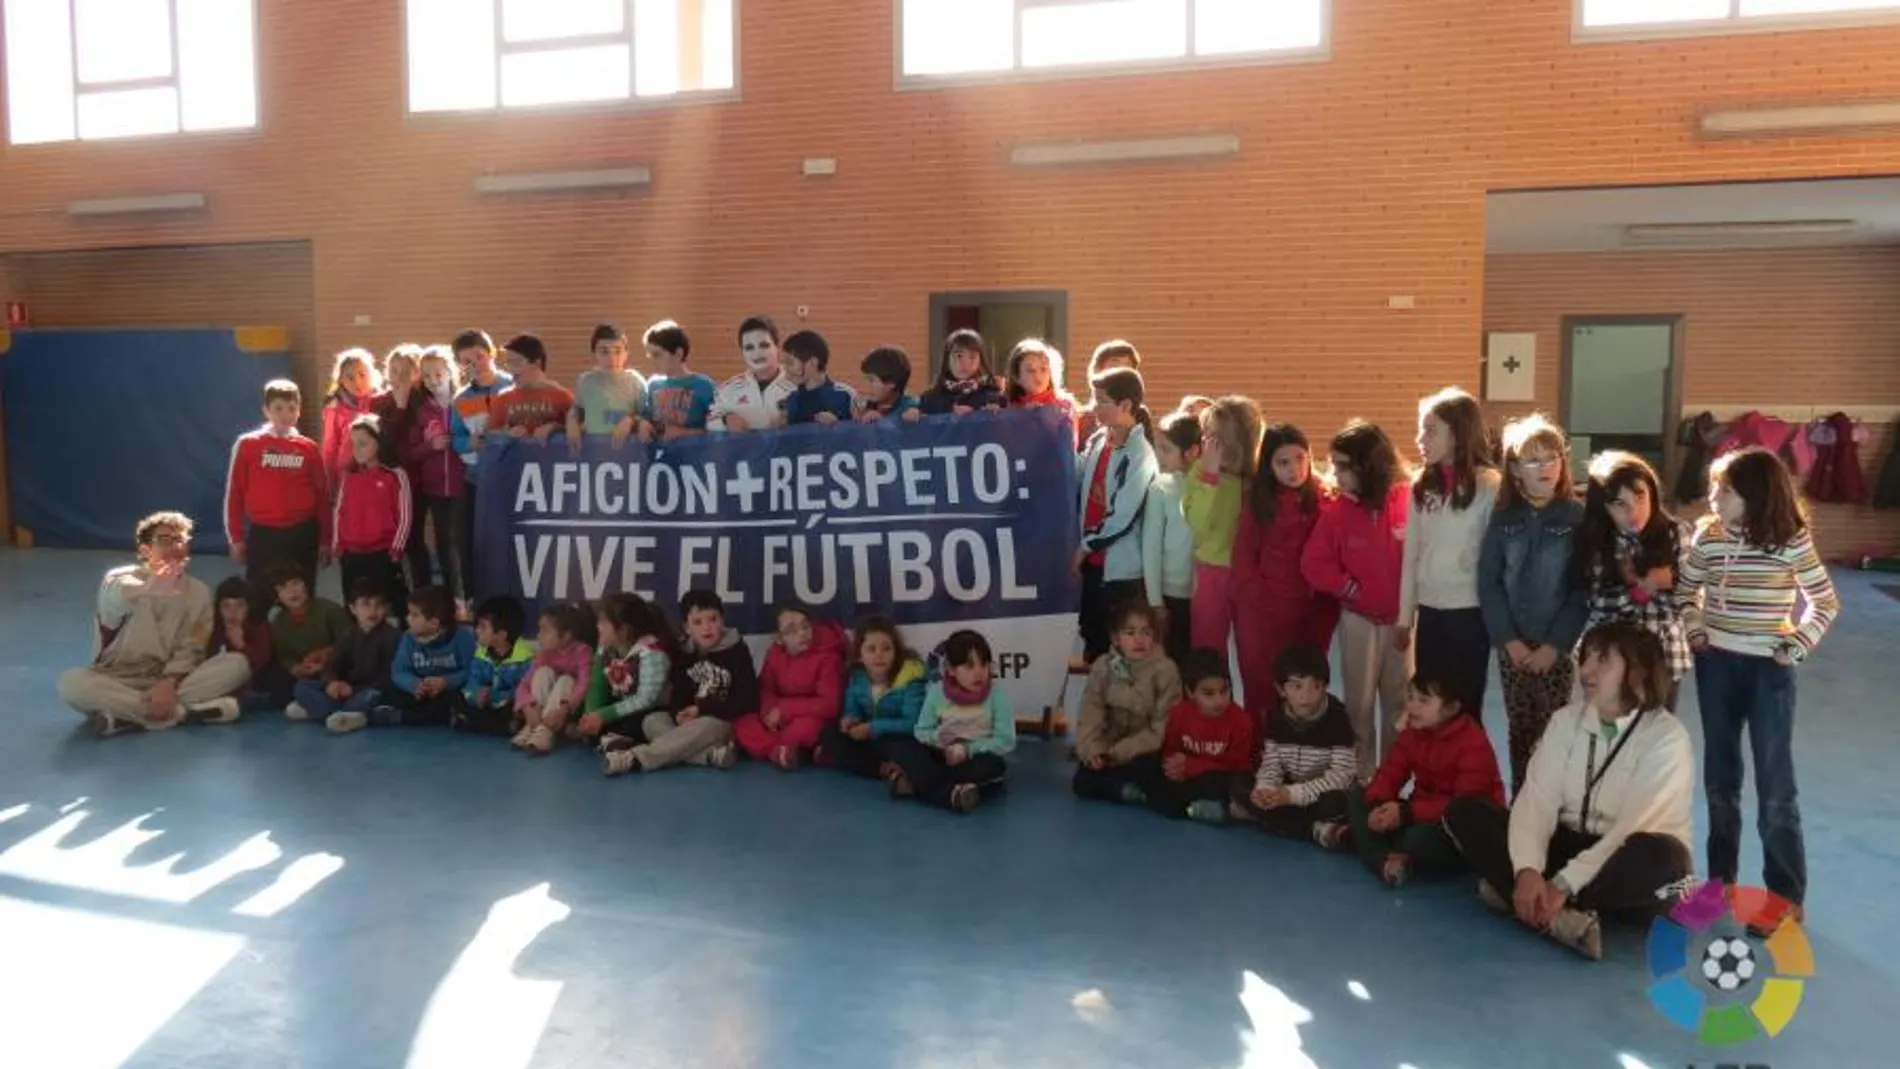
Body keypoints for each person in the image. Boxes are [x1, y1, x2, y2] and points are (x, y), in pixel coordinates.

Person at [1443, 622, 1695, 961]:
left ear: (1637, 672)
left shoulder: (1667, 737)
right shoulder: (1566, 720)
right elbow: (1537, 800)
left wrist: (1562, 884)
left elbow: (1631, 827)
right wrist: (1529, 869)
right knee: (1466, 811)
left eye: (1603, 660)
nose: (1586, 670)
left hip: (1622, 866)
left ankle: (1525, 899)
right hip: (1567, 847)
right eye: (1585, 657)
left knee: (1666, 861)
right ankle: (1558, 916)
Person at [1679, 447, 1839, 914]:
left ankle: (1785, 896)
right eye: (1714, 487)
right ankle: (1720, 885)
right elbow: (1686, 591)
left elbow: (1823, 603)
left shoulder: (1791, 540)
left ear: (1755, 494)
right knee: (1720, 780)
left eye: (1724, 490)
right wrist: (1694, 627)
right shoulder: (1708, 537)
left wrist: (1796, 646)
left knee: (1775, 786)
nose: (1713, 497)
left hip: (1769, 672)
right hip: (1717, 668)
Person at [58, 511, 253, 735]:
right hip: (119, 679)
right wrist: (146, 589)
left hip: (172, 681)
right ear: (144, 550)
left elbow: (193, 647)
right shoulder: (120, 579)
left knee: (237, 664)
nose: (174, 547)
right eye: (164, 540)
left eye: (180, 540)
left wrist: (168, 682)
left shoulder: (199, 593)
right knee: (71, 683)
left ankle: (128, 718)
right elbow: (118, 593)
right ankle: (180, 713)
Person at [1479, 414, 1589, 792]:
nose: (1544, 467)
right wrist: (1507, 638)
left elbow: (1580, 591)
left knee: (1554, 731)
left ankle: (1554, 809)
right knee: (1521, 731)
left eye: (1551, 457)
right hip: (1514, 649)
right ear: (1513, 468)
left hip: (1554, 649)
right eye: (1532, 459)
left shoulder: (1576, 519)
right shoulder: (1502, 518)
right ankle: (1523, 805)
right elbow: (1489, 582)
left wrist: (1556, 645)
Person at [1302, 420, 1412, 783]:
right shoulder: (1337, 512)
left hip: (1401, 621)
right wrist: (1348, 588)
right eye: (1334, 465)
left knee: (1400, 704)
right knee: (1358, 705)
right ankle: (1361, 778)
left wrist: (1411, 604)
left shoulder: (1407, 499)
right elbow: (1313, 563)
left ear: (1369, 465)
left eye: (1344, 466)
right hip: (1359, 621)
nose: (1336, 473)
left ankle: (1394, 779)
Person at [1396, 387, 1500, 717]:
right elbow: (1411, 553)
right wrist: (1404, 618)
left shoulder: (1490, 485)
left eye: (1430, 430)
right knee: (1429, 703)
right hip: (1430, 612)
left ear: (1458, 434)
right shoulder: (1421, 486)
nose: (1420, 439)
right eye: (1421, 429)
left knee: (1464, 705)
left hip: (1469, 614)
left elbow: (1493, 559)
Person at [1349, 670, 1503, 887]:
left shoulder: (1473, 744)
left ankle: (1370, 845)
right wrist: (1379, 804)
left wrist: (1405, 813)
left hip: (1461, 827)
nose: (1412, 706)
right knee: (1359, 796)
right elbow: (1390, 772)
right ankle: (1385, 860)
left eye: (1423, 701)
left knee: (1417, 839)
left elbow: (1466, 808)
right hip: (1419, 812)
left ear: (1451, 708)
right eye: (1410, 697)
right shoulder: (1413, 732)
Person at [1233, 422, 1338, 723]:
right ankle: (1259, 760)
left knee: (1306, 688)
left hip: (1312, 611)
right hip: (1266, 613)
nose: (1294, 469)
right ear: (1268, 465)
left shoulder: (1322, 496)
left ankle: (1303, 757)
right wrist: (1259, 599)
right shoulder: (1259, 501)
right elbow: (1243, 558)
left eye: (1300, 458)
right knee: (1264, 688)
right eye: (1283, 462)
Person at [1578, 451, 1690, 711]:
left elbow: (1688, 596)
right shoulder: (1598, 541)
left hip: (1664, 655)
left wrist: (1665, 582)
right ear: (1603, 507)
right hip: (1610, 658)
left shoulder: (1675, 532)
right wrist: (1643, 586)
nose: (1634, 511)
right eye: (1620, 504)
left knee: (1657, 736)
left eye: (1640, 497)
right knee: (1612, 736)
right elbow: (1599, 604)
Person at [612, 589, 757, 773]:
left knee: (707, 725)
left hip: (721, 722)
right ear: (687, 627)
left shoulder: (737, 651)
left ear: (723, 620)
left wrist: (701, 709)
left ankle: (636, 758)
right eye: (698, 622)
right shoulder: (685, 653)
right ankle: (708, 756)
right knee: (653, 720)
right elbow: (679, 692)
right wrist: (679, 714)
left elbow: (747, 700)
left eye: (713, 619)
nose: (707, 627)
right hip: (691, 724)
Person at [1232, 644, 1357, 847]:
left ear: (1325, 686)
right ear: (1281, 689)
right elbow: (1272, 764)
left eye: (1315, 686)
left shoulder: (1337, 718)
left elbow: (1341, 776)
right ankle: (1316, 831)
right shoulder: (1275, 717)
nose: (1306, 696)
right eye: (1297, 686)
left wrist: (1292, 795)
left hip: (1317, 793)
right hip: (1288, 789)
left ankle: (1261, 817)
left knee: (1336, 803)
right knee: (1240, 784)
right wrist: (1265, 790)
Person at [1074, 368, 1158, 663]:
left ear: (1125, 406)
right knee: (1093, 644)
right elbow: (1078, 477)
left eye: (1102, 401)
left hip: (1120, 571)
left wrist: (1085, 547)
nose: (1095, 407)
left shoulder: (1140, 453)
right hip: (1093, 565)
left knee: (1121, 653)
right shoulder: (1099, 440)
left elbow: (1122, 517)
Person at [884, 630, 1015, 813]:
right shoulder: (937, 692)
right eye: (969, 666)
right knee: (901, 748)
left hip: (974, 758)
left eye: (984, 665)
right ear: (952, 670)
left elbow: (1006, 740)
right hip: (942, 754)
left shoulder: (996, 695)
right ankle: (950, 796)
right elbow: (922, 731)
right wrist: (938, 739)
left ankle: (916, 785)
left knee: (993, 766)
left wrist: (968, 749)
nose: (979, 673)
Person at [225, 378, 328, 607]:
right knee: (257, 598)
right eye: (278, 408)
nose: (285, 414)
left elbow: (322, 496)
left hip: (302, 534)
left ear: (299, 411)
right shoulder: (248, 444)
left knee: (300, 599)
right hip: (264, 535)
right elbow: (235, 493)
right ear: (266, 410)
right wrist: (236, 537)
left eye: (291, 408)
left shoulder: (309, 448)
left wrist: (324, 540)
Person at [1070, 602, 1183, 803]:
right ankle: (1125, 791)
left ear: (1154, 638)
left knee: (1146, 768)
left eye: (1146, 633)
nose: (1139, 640)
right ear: (1116, 638)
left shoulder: (1166, 670)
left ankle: (1126, 788)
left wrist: (1116, 754)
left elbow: (1161, 729)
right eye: (1130, 633)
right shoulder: (1103, 666)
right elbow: (1090, 714)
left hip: (1144, 750)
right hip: (1108, 749)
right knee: (1081, 781)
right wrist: (1093, 751)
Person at [1185, 396, 1261, 657]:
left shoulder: (1257, 478)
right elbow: (1197, 523)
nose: (1205, 441)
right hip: (1211, 571)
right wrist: (1209, 478)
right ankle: (1211, 696)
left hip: (1250, 575)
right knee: (1208, 648)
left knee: (1253, 650)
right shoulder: (1200, 471)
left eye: (1212, 435)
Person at [734, 605, 847, 769]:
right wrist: (768, 713)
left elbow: (830, 705)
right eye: (792, 630)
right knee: (744, 722)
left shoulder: (829, 657)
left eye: (805, 626)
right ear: (780, 639)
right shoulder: (774, 652)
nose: (802, 634)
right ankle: (777, 751)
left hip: (811, 716)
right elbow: (766, 688)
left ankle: (774, 749)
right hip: (777, 715)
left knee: (804, 729)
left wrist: (785, 711)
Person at [816, 615, 927, 779]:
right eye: (871, 649)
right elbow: (852, 710)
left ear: (896, 652)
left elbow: (913, 724)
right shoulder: (857, 676)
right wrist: (850, 721)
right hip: (870, 739)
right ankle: (882, 769)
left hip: (898, 739)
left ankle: (874, 765)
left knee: (906, 750)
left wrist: (874, 728)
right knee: (830, 734)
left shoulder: (911, 677)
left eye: (886, 649)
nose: (879, 655)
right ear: (860, 655)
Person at [449, 329, 511, 610]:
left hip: (511, 477)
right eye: (466, 361)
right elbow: (456, 439)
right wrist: (468, 442)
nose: (475, 364)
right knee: (468, 541)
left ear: (492, 354)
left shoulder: (511, 387)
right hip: (475, 479)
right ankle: (475, 599)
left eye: (479, 356)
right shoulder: (461, 399)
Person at [289, 578, 400, 733]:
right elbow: (332, 664)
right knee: (303, 685)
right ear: (353, 609)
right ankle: (346, 712)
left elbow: (387, 677)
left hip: (371, 689)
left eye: (379, 605)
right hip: (347, 689)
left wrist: (350, 688)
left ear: (386, 609)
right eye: (366, 605)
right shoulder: (349, 634)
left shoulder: (392, 636)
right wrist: (333, 682)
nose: (373, 611)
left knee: (374, 696)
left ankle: (331, 711)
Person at [330, 414, 413, 622]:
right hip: (351, 555)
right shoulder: (348, 475)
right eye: (353, 444)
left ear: (378, 443)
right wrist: (337, 544)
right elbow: (339, 511)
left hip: (382, 554)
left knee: (389, 604)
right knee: (354, 606)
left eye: (363, 443)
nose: (357, 449)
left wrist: (396, 548)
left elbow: (405, 514)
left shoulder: (395, 475)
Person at [408, 346, 468, 606]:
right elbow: (412, 450)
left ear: (450, 372)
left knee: (460, 542)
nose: (433, 381)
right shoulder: (422, 410)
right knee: (444, 544)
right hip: (434, 487)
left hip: (461, 485)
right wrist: (430, 447)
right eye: (427, 376)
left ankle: (464, 595)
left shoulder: (463, 403)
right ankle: (451, 598)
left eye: (438, 374)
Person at [585, 593, 675, 763]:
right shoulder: (605, 647)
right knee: (596, 726)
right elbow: (597, 683)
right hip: (622, 707)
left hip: (650, 711)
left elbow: (645, 700)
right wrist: (591, 714)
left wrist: (604, 715)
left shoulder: (652, 654)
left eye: (603, 622)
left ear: (624, 630)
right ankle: (619, 740)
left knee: (647, 724)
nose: (597, 626)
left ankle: (631, 744)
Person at [374, 585, 477, 730]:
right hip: (420, 692)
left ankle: (403, 717)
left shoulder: (462, 637)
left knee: (461, 698)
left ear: (434, 622)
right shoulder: (408, 638)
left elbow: (473, 671)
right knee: (388, 689)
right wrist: (414, 684)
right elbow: (399, 670)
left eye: (414, 615)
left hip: (448, 691)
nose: (408, 618)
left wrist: (446, 682)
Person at [1142, 410, 1199, 663]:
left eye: (1166, 449)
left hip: (1203, 593)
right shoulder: (1160, 488)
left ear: (1192, 452)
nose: (1159, 456)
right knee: (1173, 664)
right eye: (1158, 449)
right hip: (1170, 594)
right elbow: (1151, 546)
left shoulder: (1210, 486)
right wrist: (1155, 601)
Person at [512, 603, 595, 754]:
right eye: (539, 629)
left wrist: (565, 708)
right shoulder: (544, 654)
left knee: (566, 680)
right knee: (543, 673)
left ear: (566, 636)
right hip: (543, 710)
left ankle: (544, 732)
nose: (539, 635)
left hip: (568, 711)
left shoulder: (582, 651)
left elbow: (584, 684)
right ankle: (532, 726)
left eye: (545, 630)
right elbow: (524, 685)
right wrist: (528, 706)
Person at [270, 563, 353, 710]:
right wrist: (296, 668)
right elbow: (284, 656)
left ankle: (340, 708)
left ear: (306, 585)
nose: (292, 591)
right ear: (277, 597)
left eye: (296, 583)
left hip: (338, 670)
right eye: (283, 588)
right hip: (309, 676)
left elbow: (350, 644)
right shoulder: (279, 622)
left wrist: (325, 655)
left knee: (301, 692)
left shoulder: (329, 610)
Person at [453, 595, 536, 736]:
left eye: (483, 627)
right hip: (485, 704)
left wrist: (494, 695)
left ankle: (490, 723)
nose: (477, 631)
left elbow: (523, 689)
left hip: (505, 702)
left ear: (501, 635)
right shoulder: (480, 654)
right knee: (456, 696)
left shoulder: (525, 658)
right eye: (477, 626)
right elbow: (472, 680)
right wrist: (477, 693)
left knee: (516, 707)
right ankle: (491, 724)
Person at [206, 575, 286, 714]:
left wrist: (241, 645)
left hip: (259, 683)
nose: (233, 613)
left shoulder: (259, 626)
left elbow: (262, 661)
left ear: (249, 607)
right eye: (226, 606)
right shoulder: (216, 629)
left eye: (239, 606)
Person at [566, 323, 646, 452]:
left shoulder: (635, 383)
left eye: (618, 351)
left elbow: (647, 419)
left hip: (628, 457)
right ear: (594, 354)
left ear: (626, 354)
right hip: (593, 455)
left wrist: (631, 420)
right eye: (604, 351)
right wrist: (571, 420)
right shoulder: (585, 381)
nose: (612, 358)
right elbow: (577, 410)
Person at [710, 315, 794, 433]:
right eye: (749, 348)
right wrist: (725, 420)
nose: (757, 353)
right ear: (742, 352)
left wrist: (795, 421)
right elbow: (707, 421)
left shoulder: (799, 385)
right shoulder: (727, 390)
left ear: (777, 347)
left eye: (764, 345)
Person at [638, 319, 718, 441]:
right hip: (659, 458)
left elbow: (719, 430)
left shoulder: (704, 386)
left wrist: (686, 433)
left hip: (694, 458)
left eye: (657, 355)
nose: (652, 361)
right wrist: (643, 424)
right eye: (650, 355)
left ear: (678, 353)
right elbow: (645, 417)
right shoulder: (652, 385)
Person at [320, 348, 381, 500]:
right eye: (350, 377)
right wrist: (330, 483)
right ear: (340, 380)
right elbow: (329, 448)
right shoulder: (334, 408)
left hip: (376, 471)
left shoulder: (380, 401)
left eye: (362, 375)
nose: (357, 382)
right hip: (347, 474)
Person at [489, 334, 574, 443]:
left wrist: (555, 429)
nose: (511, 369)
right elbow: (489, 437)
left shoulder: (563, 397)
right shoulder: (503, 399)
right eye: (508, 363)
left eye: (516, 363)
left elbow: (580, 433)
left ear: (536, 363)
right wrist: (507, 434)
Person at [1004, 339, 1079, 443]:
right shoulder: (1007, 408)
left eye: (1043, 369)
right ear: (1016, 377)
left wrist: (1044, 418)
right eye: (1031, 370)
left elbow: (1069, 445)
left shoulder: (1064, 405)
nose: (1038, 376)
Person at [919, 329, 1007, 415]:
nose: (965, 363)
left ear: (980, 361)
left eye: (972, 357)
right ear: (947, 359)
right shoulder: (930, 398)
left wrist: (982, 415)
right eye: (959, 356)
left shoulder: (994, 396)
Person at [781, 329, 858, 426]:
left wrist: (837, 425)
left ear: (813, 363)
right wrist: (778, 429)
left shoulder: (845, 395)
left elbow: (859, 435)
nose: (785, 369)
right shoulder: (791, 400)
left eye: (790, 363)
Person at [1074, 340, 1141, 444]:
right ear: (1097, 370)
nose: (1121, 372)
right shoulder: (1081, 420)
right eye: (1115, 365)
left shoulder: (1139, 416)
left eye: (1127, 366)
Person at [855, 346, 922, 423]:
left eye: (871, 380)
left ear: (891, 382)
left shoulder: (909, 406)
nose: (865, 385)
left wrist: (882, 421)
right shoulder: (863, 407)